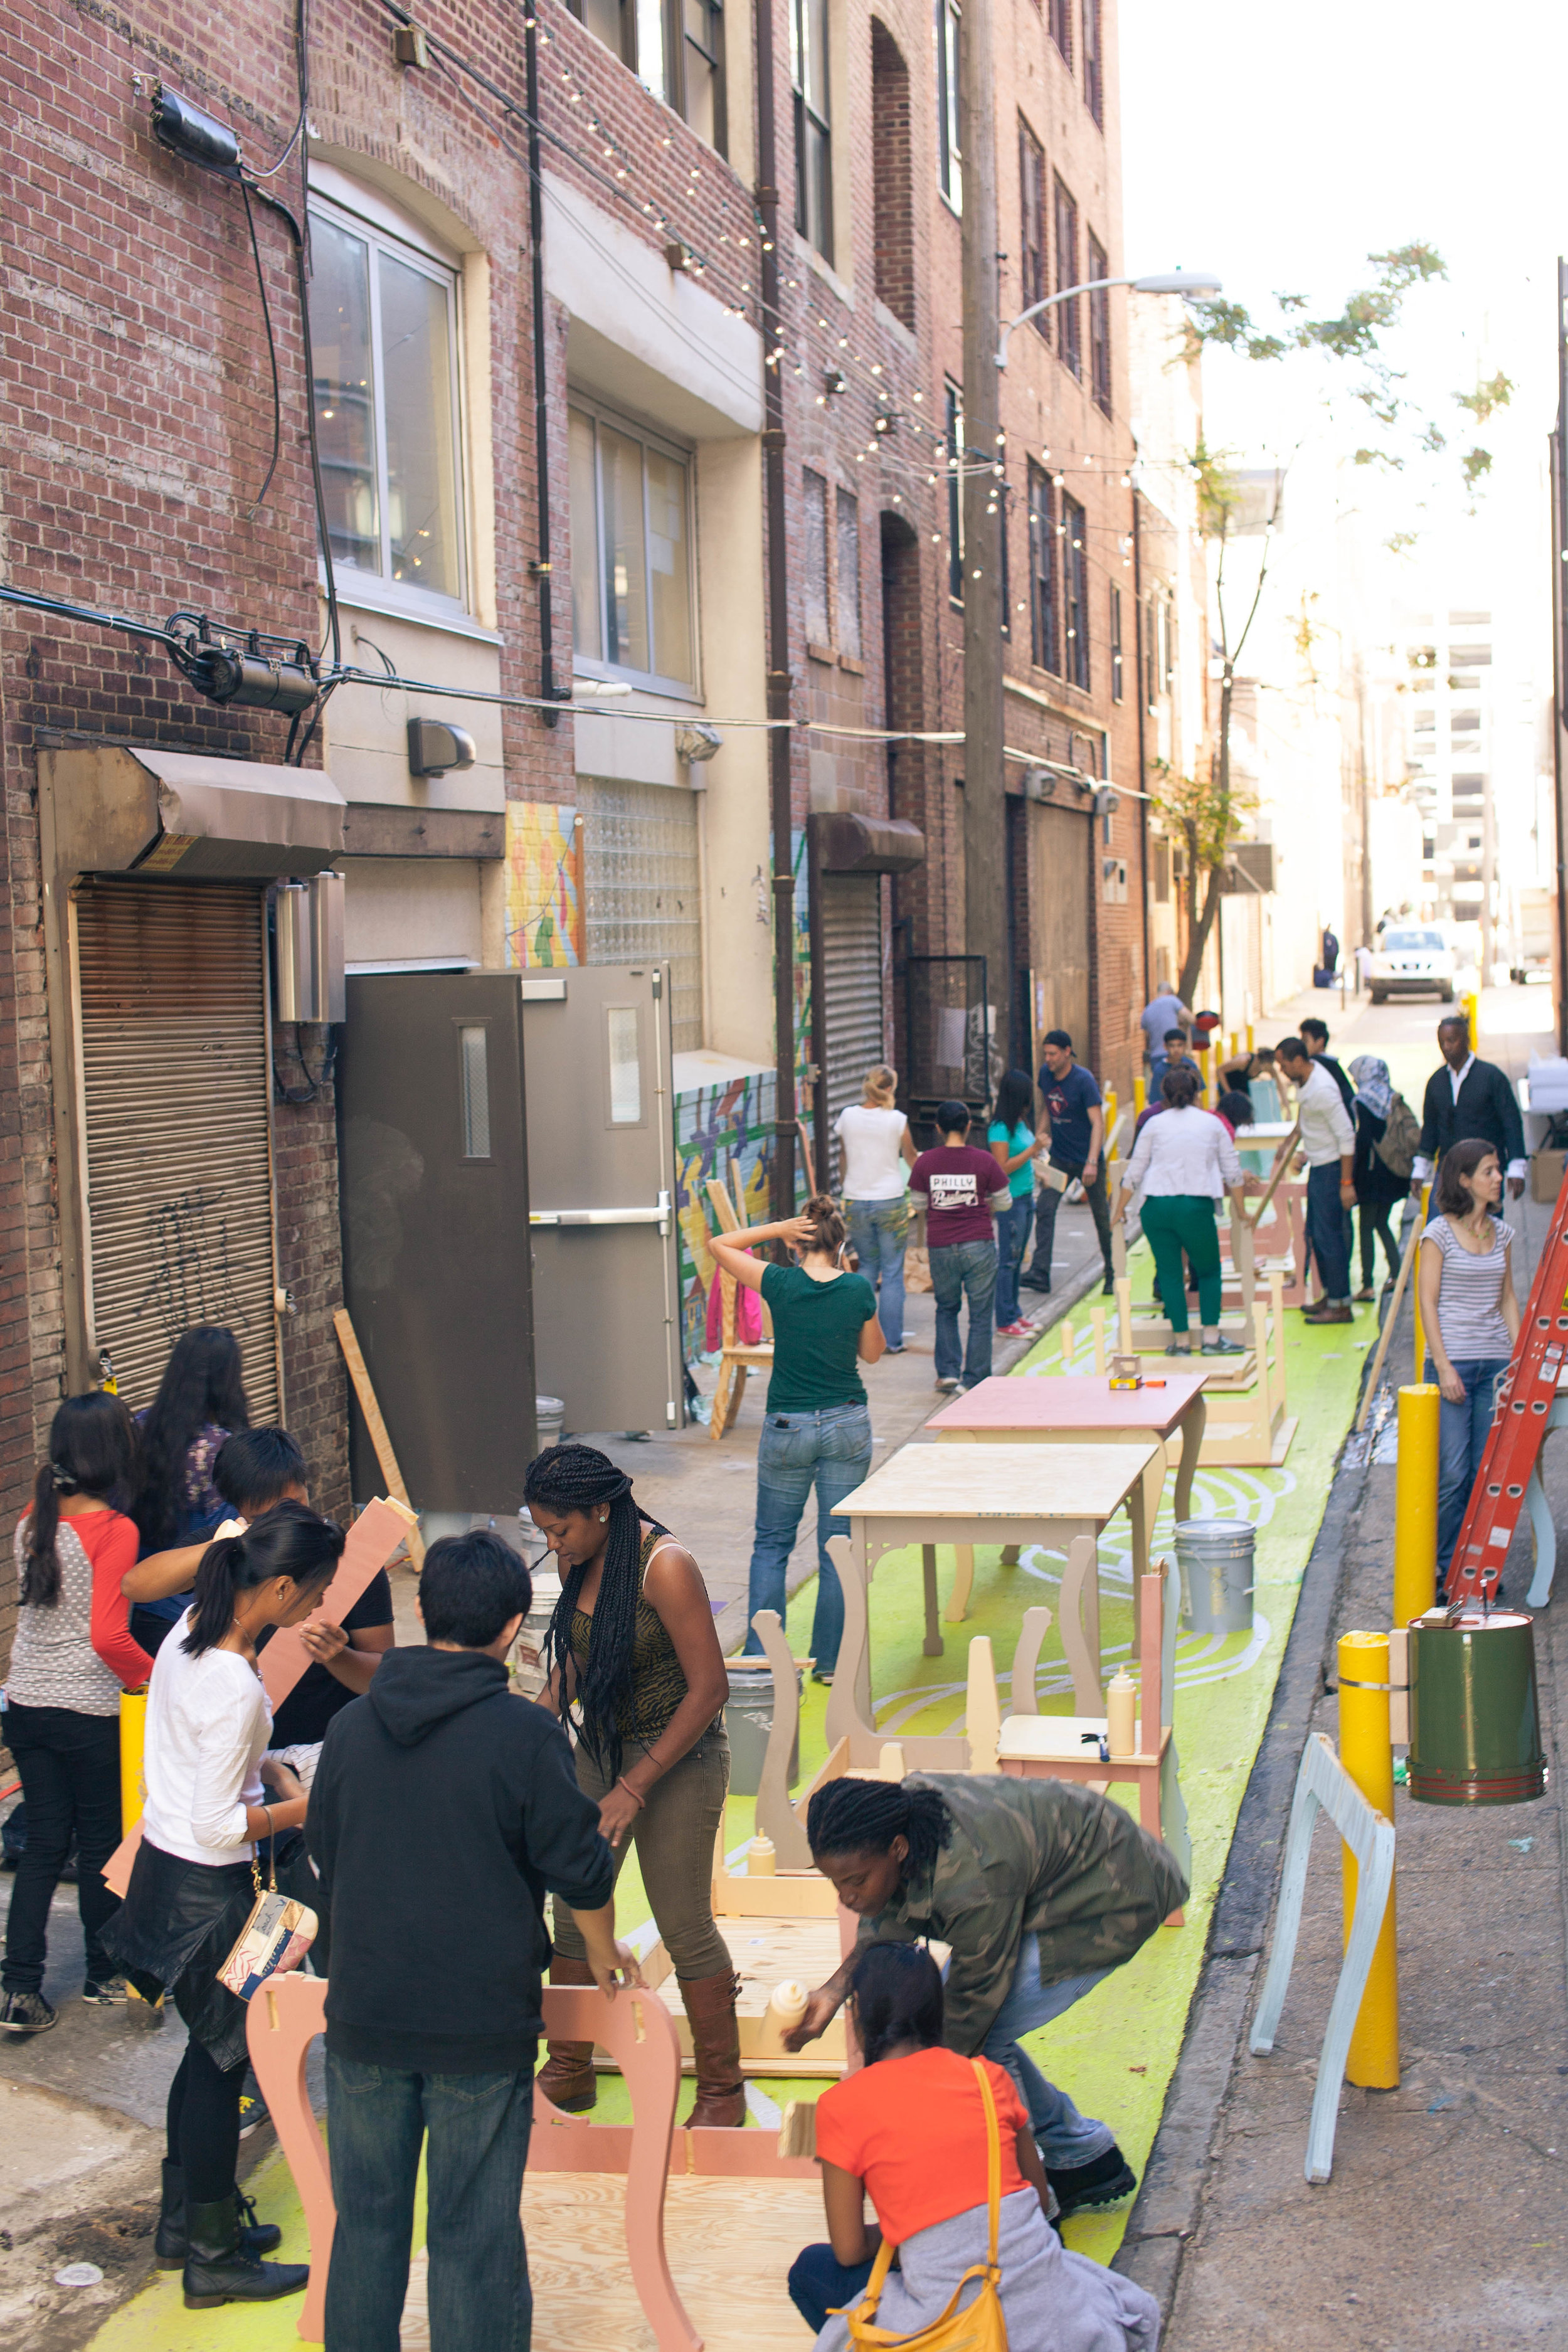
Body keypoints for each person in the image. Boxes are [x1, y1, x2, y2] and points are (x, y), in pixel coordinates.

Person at [306, 1528, 637, 2352]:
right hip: (478, 2025)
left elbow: (322, 1851)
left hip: (364, 2014)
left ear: (421, 1610)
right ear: (514, 1626)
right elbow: (580, 1865)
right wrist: (599, 1947)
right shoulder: (524, 1737)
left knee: (367, 2229)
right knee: (472, 2233)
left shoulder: (350, 1728)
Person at [104, 1503, 347, 2308]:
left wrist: (267, 1776)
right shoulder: (236, 1684)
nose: (318, 1608)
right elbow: (219, 1822)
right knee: (222, 2063)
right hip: (214, 1897)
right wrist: (301, 1807)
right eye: (313, 1593)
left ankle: (187, 2223)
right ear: (280, 1588)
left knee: (203, 2057)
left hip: (168, 1879)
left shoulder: (186, 1637)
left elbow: (209, 1784)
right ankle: (213, 2258)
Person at [783, 1775, 1185, 2219]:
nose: (846, 1897)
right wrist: (834, 1992)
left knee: (975, 2042)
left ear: (898, 1849)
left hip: (1109, 1898)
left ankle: (1030, 2211)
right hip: (1047, 1882)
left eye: (856, 1880)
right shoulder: (905, 1826)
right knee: (959, 2039)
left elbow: (971, 2016)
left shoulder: (973, 1880)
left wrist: (891, 2103)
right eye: (835, 1883)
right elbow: (890, 1915)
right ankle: (1083, 2156)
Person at [787, 1942, 1160, 2352]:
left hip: (954, 2320)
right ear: (937, 2010)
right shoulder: (988, 2079)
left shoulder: (842, 2106)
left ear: (860, 2014)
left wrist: (911, 2235)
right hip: (1045, 2305)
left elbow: (849, 2248)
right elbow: (1036, 2198)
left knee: (810, 2272)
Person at [524, 1443, 739, 2126]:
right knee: (571, 1907)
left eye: (560, 1530)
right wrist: (533, 1720)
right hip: (604, 1747)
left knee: (682, 1922)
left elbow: (709, 1689)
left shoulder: (665, 1567)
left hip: (680, 1754)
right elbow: (584, 1659)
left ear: (600, 1509)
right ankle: (569, 2068)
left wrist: (636, 1786)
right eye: (545, 1533)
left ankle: (720, 2090)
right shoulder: (579, 1554)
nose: (554, 1545)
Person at [1, 1392, 151, 2035]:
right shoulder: (116, 1530)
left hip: (25, 1702)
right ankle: (101, 1973)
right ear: (113, 1452)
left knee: (40, 1849)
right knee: (98, 1845)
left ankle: (20, 1990)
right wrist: (155, 1678)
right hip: (86, 1710)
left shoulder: (32, 1517)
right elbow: (106, 1637)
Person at [712, 1199, 882, 1678]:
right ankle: (829, 1663)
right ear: (840, 1242)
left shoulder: (779, 1282)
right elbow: (873, 1354)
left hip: (787, 1425)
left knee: (772, 1544)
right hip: (848, 1423)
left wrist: (775, 1228)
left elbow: (719, 1245)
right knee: (837, 1545)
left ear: (796, 1243)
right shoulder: (856, 1289)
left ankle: (762, 1660)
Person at [1417, 1141, 1520, 1594]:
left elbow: (1508, 1299)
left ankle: (1478, 1571)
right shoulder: (1437, 1234)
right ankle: (1446, 1567)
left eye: (1497, 1170)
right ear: (1463, 1180)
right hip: (1453, 1362)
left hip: (1494, 1363)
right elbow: (1427, 1301)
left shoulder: (1503, 1234)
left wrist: (1519, 1358)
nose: (1498, 1177)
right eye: (1489, 1171)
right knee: (1454, 1472)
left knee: (1486, 1473)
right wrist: (1442, 1366)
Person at [129, 1326, 251, 1658]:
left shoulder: (140, 1426)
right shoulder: (223, 1447)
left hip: (141, 1603)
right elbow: (232, 1536)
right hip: (197, 1615)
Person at [1111, 1065, 1248, 1357]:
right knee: (1209, 1270)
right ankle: (1211, 1338)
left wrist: (1119, 1210)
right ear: (1198, 1092)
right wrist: (1242, 1210)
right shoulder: (1211, 1124)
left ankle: (1181, 1342)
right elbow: (1233, 1172)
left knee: (1171, 1274)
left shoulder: (1154, 1124)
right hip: (1194, 1205)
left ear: (1165, 1094)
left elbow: (1135, 1172)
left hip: (1156, 1207)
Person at [909, 1102, 1010, 1392]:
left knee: (946, 1308)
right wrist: (982, 1205)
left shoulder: (925, 1161)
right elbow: (1005, 1201)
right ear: (968, 1126)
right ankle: (975, 1378)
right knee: (980, 1313)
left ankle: (948, 1372)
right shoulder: (985, 1161)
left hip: (941, 1245)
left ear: (938, 1128)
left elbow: (917, 1204)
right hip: (979, 1244)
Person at [1021, 1032, 1115, 1300]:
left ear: (1067, 1052)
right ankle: (1040, 1273)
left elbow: (1098, 1122)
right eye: (1046, 1054)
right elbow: (1047, 1110)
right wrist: (1039, 1143)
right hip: (1061, 1158)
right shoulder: (1046, 1074)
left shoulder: (1083, 1081)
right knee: (1046, 1208)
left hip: (1088, 1158)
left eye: (1052, 1054)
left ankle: (1111, 1270)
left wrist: (1092, 1162)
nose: (1048, 1059)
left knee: (1101, 1215)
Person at [1275, 1037, 1357, 1326]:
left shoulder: (1322, 1090)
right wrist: (1293, 1143)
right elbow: (1306, 1117)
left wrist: (1346, 1183)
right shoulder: (1307, 1081)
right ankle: (1331, 1297)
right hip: (1320, 1166)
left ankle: (1340, 1305)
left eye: (1284, 1065)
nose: (1282, 1071)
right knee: (1316, 1236)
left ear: (1298, 1061)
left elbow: (1347, 1136)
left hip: (1332, 1170)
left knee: (1329, 1238)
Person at [836, 1064, 916, 1352]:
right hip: (891, 1201)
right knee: (893, 1272)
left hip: (855, 1200)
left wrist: (849, 1187)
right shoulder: (897, 1120)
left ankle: (862, 1339)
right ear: (891, 1089)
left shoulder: (847, 1116)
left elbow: (843, 1157)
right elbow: (911, 1158)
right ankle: (892, 1341)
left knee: (867, 1268)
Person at [1412, 1015, 1527, 1202]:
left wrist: (1517, 1168)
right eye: (1442, 1042)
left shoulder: (1492, 1077)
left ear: (1466, 1040)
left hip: (1485, 1170)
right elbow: (1430, 1127)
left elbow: (1511, 1122)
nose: (1447, 1047)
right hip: (1448, 1170)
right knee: (1439, 1227)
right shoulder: (1436, 1081)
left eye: (1452, 1040)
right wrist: (1419, 1169)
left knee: (1486, 1228)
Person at [1348, 1055, 1412, 1300]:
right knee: (1381, 1222)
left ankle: (1367, 1285)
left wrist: (1350, 1177)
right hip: (1393, 1171)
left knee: (1366, 1227)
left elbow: (1363, 1140)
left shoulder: (1363, 1101)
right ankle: (1397, 1274)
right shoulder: (1391, 1096)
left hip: (1371, 1173)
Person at [987, 1067, 1043, 1333]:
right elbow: (1001, 1168)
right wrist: (1033, 1150)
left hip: (1027, 1196)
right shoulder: (999, 1129)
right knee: (1008, 1259)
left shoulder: (1019, 1123)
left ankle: (1015, 1311)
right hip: (1011, 1201)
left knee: (1019, 1258)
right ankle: (1005, 1319)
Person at [1139, 986, 1192, 1094]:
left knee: (1162, 1093)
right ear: (1169, 992)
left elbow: (1147, 1036)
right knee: (1180, 1091)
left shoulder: (1147, 1010)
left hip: (1155, 1057)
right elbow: (1190, 1018)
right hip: (1174, 1057)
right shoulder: (1172, 1000)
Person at [1298, 1017, 1355, 1116]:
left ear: (1320, 1042)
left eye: (1306, 1041)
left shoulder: (1319, 1064)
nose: (1302, 1045)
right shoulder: (1331, 1063)